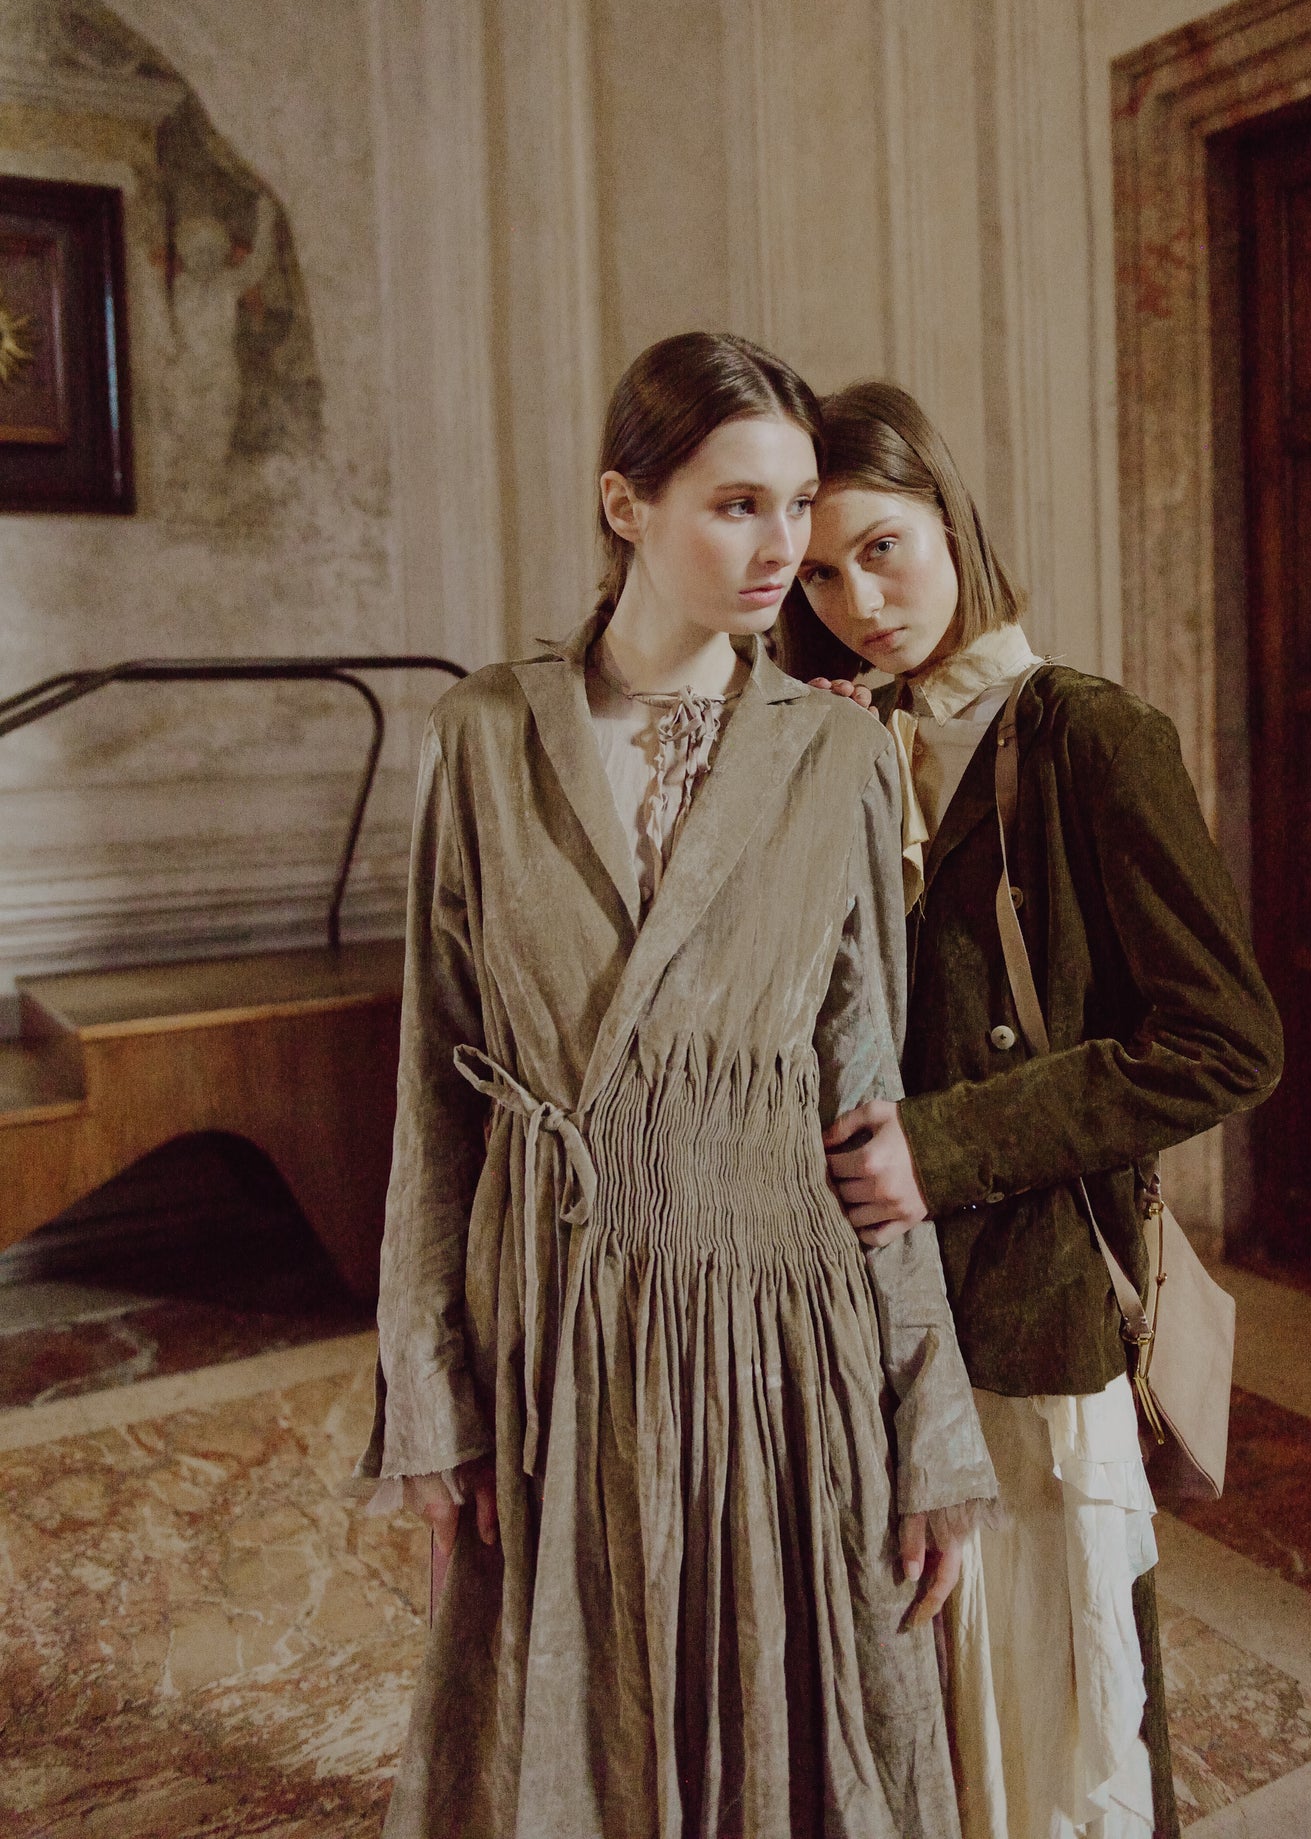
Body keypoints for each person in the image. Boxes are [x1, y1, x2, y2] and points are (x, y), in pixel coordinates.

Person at [357, 336, 1000, 1839]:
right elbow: (430, 1099)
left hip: (781, 1328)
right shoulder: (482, 740)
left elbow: (865, 1109)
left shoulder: (836, 758)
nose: (786, 550)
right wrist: (431, 1395)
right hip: (554, 1318)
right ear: (625, 505)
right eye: (737, 506)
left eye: (799, 507)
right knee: (575, 1733)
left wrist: (929, 1423)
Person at [780, 380, 1284, 1839]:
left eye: (883, 547)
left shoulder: (1088, 737)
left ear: (950, 516)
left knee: (1061, 1738)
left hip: (1035, 1307)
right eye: (822, 573)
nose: (861, 599)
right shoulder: (849, 738)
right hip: (875, 1313)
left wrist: (941, 1152)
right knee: (921, 1721)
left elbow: (1224, 1042)